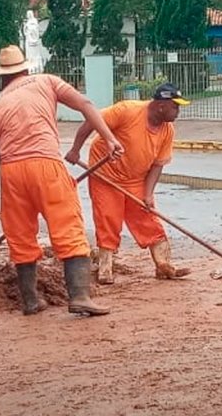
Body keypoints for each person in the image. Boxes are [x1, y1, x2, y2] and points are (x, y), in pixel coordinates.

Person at [0, 45, 124, 316]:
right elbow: (85, 104)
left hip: (10, 171)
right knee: (67, 225)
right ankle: (80, 296)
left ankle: (30, 300)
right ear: (26, 68)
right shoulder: (46, 81)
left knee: (20, 234)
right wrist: (109, 138)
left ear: (1, 76)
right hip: (45, 163)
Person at [65, 82, 192, 285]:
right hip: (106, 175)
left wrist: (148, 194)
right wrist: (75, 150)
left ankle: (164, 265)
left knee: (147, 217)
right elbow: (91, 121)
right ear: (161, 105)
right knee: (108, 218)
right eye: (175, 106)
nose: (178, 111)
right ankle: (105, 268)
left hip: (135, 178)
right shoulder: (127, 110)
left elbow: (158, 164)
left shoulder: (168, 130)